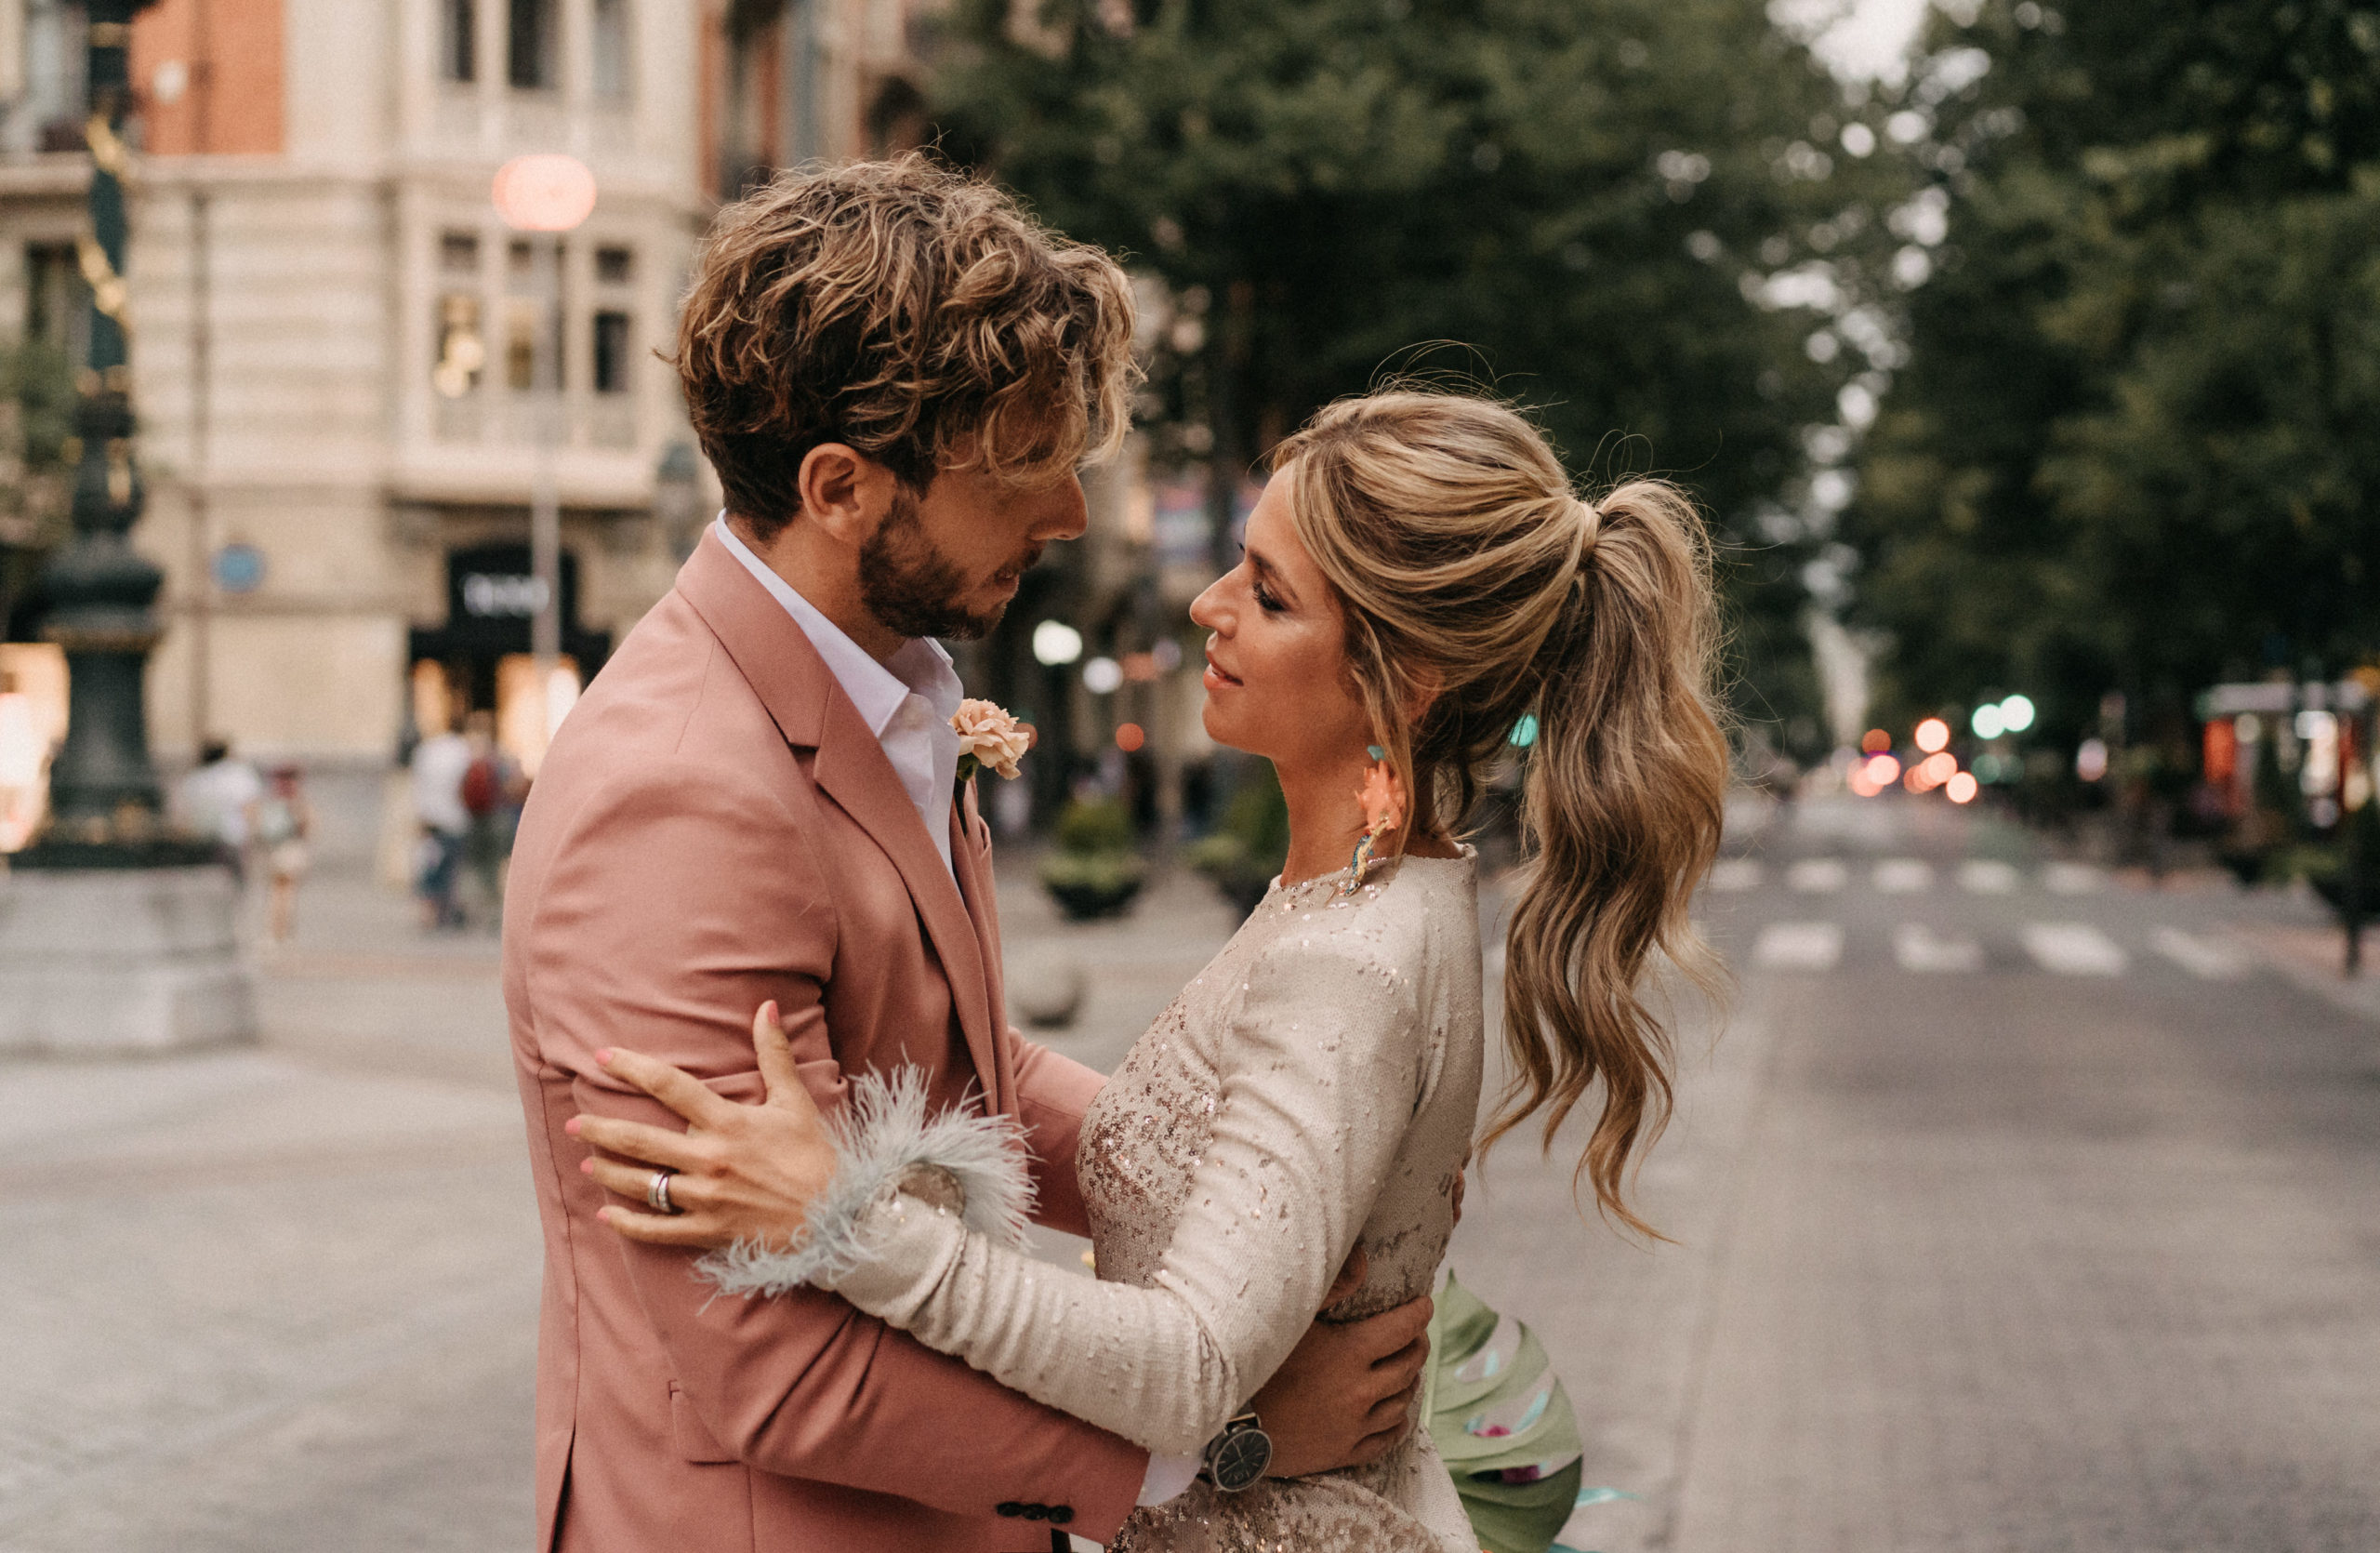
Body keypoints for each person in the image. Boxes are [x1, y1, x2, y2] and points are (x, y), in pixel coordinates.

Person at [574, 390, 1731, 1550]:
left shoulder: (1350, 961)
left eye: (1269, 595)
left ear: (1407, 676)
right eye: (1238, 565)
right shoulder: (1358, 895)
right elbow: (1182, 1150)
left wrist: (840, 1214)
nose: (1208, 604)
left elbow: (1185, 1370)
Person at [501, 156, 1433, 1553]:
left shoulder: (877, 682)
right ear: (840, 488)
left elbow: (953, 1077)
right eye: (1022, 468)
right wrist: (1213, 1443)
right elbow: (774, 1357)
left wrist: (1250, 1205)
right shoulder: (679, 795)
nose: (1065, 513)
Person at [458, 710, 520, 923]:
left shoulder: (467, 760)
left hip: (475, 821)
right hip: (497, 820)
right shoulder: (501, 760)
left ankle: (474, 913)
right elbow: (513, 790)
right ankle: (494, 916)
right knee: (494, 868)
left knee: (474, 867)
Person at [410, 718, 471, 930]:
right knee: (450, 869)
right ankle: (445, 912)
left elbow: (417, 785)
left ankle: (428, 913)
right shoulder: (462, 751)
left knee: (430, 866)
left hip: (429, 817)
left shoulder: (426, 751)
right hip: (455, 818)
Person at [175, 737, 263, 875]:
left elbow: (183, 813)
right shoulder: (237, 775)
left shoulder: (195, 779)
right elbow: (249, 808)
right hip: (233, 838)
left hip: (201, 841)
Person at [253, 763, 313, 943]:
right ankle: (281, 930)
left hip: (275, 850)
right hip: (291, 850)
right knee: (287, 893)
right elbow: (308, 828)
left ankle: (275, 930)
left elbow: (257, 826)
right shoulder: (298, 801)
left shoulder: (271, 800)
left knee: (276, 892)